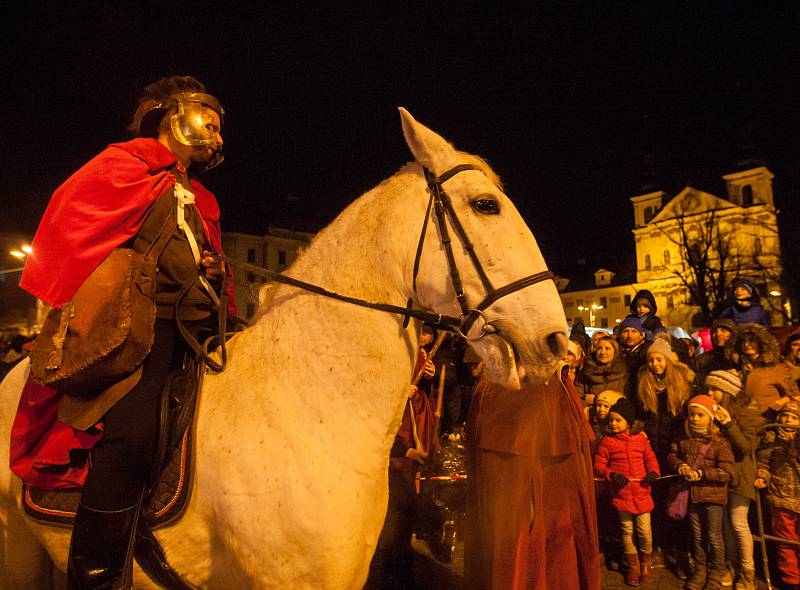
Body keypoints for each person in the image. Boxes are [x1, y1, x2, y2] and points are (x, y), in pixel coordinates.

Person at [18, 75, 232, 589]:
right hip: (142, 329)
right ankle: (95, 576)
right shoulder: (124, 166)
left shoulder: (199, 196)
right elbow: (77, 234)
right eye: (209, 119)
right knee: (134, 433)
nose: (218, 133)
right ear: (173, 116)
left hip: (197, 331)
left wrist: (213, 269)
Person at [464, 362, 601, 590]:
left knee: (555, 530)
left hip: (548, 447)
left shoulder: (554, 384)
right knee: (513, 532)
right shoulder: (495, 383)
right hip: (509, 442)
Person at [633, 335, 694, 576]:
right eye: (652, 360)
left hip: (675, 449)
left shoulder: (682, 383)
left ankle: (680, 552)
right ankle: (658, 545)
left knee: (677, 504)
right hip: (651, 450)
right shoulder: (643, 383)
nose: (655, 364)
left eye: (659, 359)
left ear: (667, 360)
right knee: (655, 501)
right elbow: (641, 414)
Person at [667, 395, 735, 590]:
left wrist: (702, 473)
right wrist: (679, 465)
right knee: (697, 535)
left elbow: (728, 472)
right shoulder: (683, 438)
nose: (695, 418)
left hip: (713, 496)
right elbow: (672, 455)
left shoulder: (719, 442)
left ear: (710, 418)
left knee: (714, 536)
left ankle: (716, 572)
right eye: (692, 414)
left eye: (700, 415)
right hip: (692, 496)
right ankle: (700, 569)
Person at [594, 397, 660, 586]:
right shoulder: (607, 442)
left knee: (645, 531)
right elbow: (598, 464)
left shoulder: (640, 439)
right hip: (622, 494)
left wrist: (654, 473)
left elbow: (651, 459)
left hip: (642, 492)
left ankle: (646, 564)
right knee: (627, 530)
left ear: (628, 422)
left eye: (618, 420)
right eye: (611, 420)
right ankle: (633, 566)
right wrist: (611, 474)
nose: (613, 423)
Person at [705, 370, 761, 590]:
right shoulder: (713, 410)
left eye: (715, 390)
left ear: (727, 392)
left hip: (740, 474)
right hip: (720, 473)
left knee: (739, 523)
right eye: (709, 388)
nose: (710, 393)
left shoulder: (747, 413)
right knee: (725, 524)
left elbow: (746, 447)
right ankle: (730, 565)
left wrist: (728, 424)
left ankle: (748, 573)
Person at [755, 400, 800, 590]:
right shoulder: (771, 438)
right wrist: (762, 477)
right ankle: (791, 581)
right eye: (785, 416)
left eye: (794, 417)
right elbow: (763, 463)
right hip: (781, 497)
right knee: (786, 541)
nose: (787, 420)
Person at [736, 323, 800, 417]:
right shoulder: (738, 367)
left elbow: (796, 396)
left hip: (769, 420)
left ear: (761, 342)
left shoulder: (776, 367)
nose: (746, 344)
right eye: (743, 341)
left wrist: (780, 403)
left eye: (752, 340)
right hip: (744, 420)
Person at [575, 335, 628, 406]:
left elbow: (627, 399)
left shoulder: (624, 372)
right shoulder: (586, 370)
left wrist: (597, 400)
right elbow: (576, 395)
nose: (603, 352)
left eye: (607, 348)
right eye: (599, 348)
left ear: (615, 351)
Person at [618, 316, 651, 399]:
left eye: (634, 331)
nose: (629, 335)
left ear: (641, 335)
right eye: (626, 331)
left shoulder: (649, 352)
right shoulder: (613, 351)